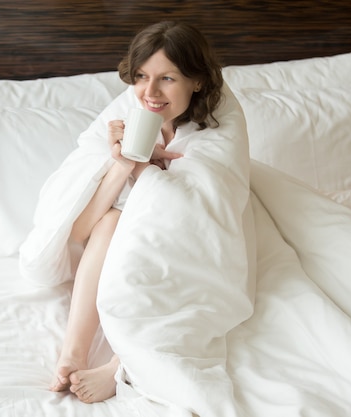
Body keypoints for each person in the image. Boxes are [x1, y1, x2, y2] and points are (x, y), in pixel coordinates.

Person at [49, 20, 225, 403]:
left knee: (153, 234)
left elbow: (197, 224)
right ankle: (73, 352)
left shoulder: (211, 137)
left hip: (188, 248)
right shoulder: (125, 122)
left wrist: (150, 170)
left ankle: (119, 364)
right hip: (118, 249)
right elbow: (79, 232)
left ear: (196, 81)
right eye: (142, 76)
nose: (150, 92)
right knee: (113, 219)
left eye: (168, 78)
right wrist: (125, 161)